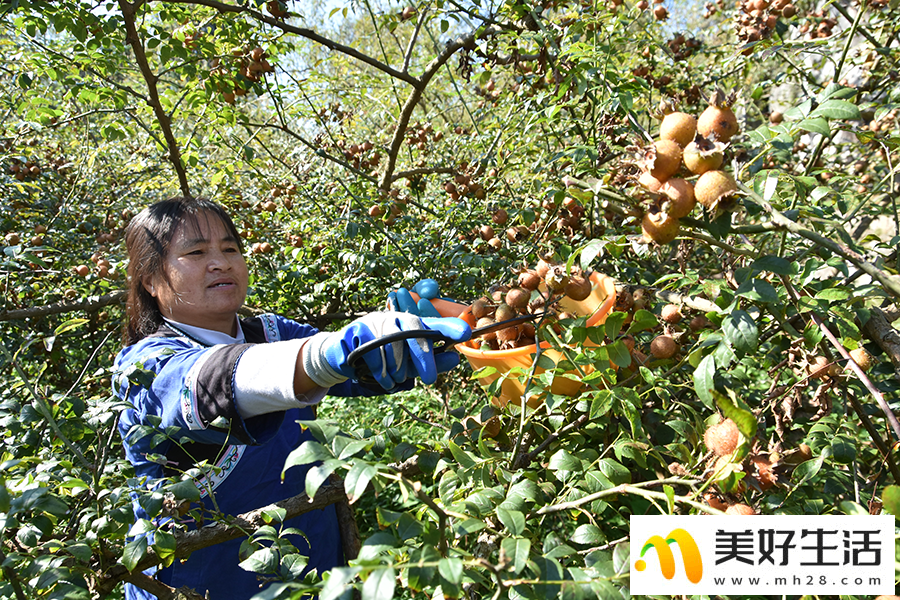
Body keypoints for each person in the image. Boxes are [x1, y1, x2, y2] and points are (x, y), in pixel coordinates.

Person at [112, 196, 471, 599]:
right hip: (205, 582)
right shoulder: (143, 368)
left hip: (313, 566)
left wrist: (408, 336)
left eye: (230, 248)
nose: (221, 262)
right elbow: (217, 382)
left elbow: (348, 365)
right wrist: (329, 356)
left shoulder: (271, 333)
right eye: (196, 252)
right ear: (150, 279)